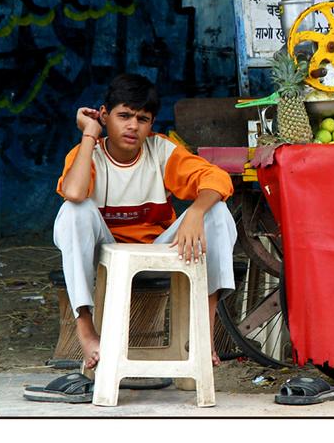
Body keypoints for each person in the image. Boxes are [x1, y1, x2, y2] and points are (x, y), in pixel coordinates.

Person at [53, 73, 236, 370]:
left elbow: (217, 178)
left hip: (158, 246)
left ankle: (203, 334)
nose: (132, 126)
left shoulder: (161, 150)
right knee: (74, 213)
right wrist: (89, 134)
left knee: (218, 213)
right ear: (103, 115)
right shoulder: (88, 154)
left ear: (151, 124)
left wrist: (196, 212)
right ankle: (86, 330)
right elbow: (73, 192)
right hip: (105, 247)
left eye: (142, 119)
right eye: (123, 116)